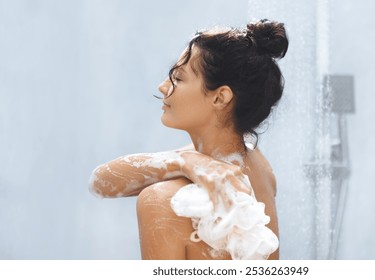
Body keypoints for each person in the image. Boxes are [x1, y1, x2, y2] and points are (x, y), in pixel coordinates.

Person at [89, 19, 289, 260]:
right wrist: (186, 160)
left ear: (220, 98)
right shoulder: (259, 168)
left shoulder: (166, 201)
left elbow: (99, 184)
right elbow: (100, 182)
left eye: (179, 78)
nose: (163, 87)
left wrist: (186, 161)